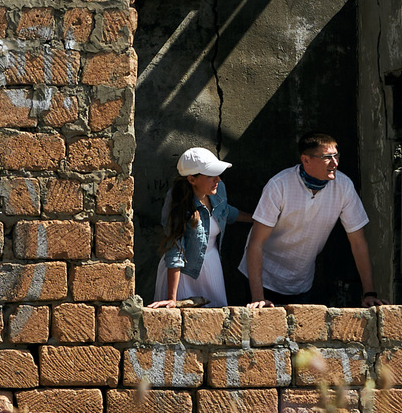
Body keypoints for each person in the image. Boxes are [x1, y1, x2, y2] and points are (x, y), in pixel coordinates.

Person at [245, 132, 379, 308]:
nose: (335, 162)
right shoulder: (279, 185)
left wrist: (369, 293)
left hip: (301, 283)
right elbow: (255, 243)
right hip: (262, 280)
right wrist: (258, 297)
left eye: (336, 155)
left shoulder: (344, 186)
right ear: (306, 160)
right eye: (327, 157)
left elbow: (358, 243)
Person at [154, 147, 241, 307]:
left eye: (218, 174)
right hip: (183, 273)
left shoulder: (218, 189)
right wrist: (172, 299)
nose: (218, 180)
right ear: (191, 179)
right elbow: (175, 247)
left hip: (212, 267)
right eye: (210, 175)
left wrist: (260, 220)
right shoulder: (177, 200)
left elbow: (226, 212)